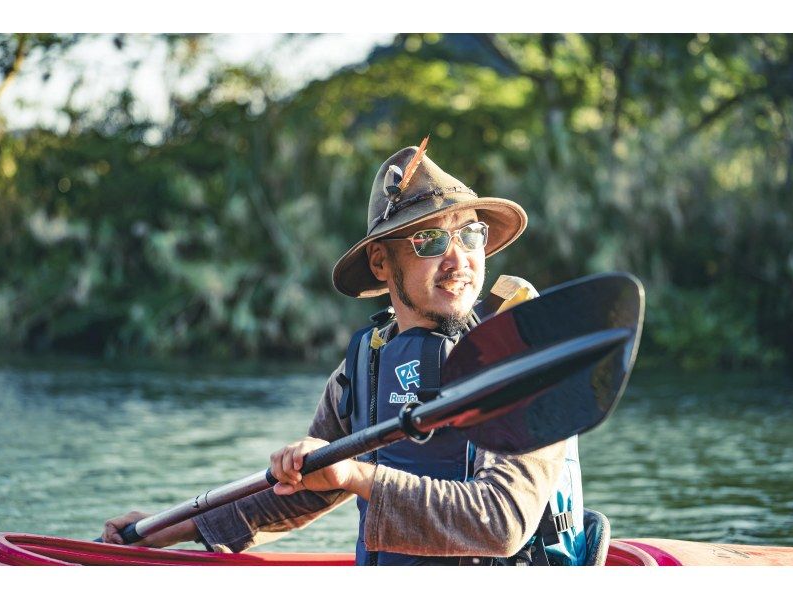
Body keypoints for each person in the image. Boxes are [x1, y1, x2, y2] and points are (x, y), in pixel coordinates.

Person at [101, 142, 587, 565]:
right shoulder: (364, 369)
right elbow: (304, 490)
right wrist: (172, 528)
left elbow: (501, 521)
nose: (458, 259)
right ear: (381, 262)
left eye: (470, 234)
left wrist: (356, 475)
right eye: (430, 240)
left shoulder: (524, 358)